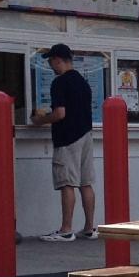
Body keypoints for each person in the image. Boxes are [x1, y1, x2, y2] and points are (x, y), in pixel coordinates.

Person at [32, 44, 97, 240]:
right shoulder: (83, 82)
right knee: (86, 183)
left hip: (67, 138)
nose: (51, 66)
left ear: (58, 60)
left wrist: (39, 120)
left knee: (67, 183)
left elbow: (60, 113)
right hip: (86, 136)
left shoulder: (59, 82)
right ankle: (89, 228)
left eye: (51, 62)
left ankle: (66, 230)